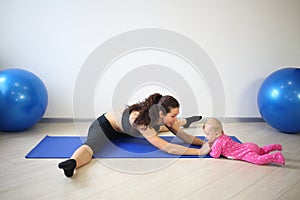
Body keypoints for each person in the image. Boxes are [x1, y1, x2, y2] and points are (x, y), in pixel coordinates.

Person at [58, 93, 210, 177]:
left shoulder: (160, 116)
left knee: (166, 127)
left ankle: (186, 121)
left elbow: (184, 137)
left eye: (177, 116)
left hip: (127, 131)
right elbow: (169, 148)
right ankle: (72, 163)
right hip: (106, 127)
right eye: (173, 116)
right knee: (91, 146)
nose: (174, 118)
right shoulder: (142, 121)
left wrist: (205, 144)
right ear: (162, 113)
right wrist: (199, 152)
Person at [202, 118, 285, 165]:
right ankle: (274, 146)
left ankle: (276, 156)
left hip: (245, 153)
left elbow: (215, 155)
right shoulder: (224, 136)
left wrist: (210, 150)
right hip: (248, 145)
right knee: (261, 150)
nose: (206, 137)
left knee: (258, 159)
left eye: (207, 134)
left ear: (216, 134)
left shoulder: (217, 143)